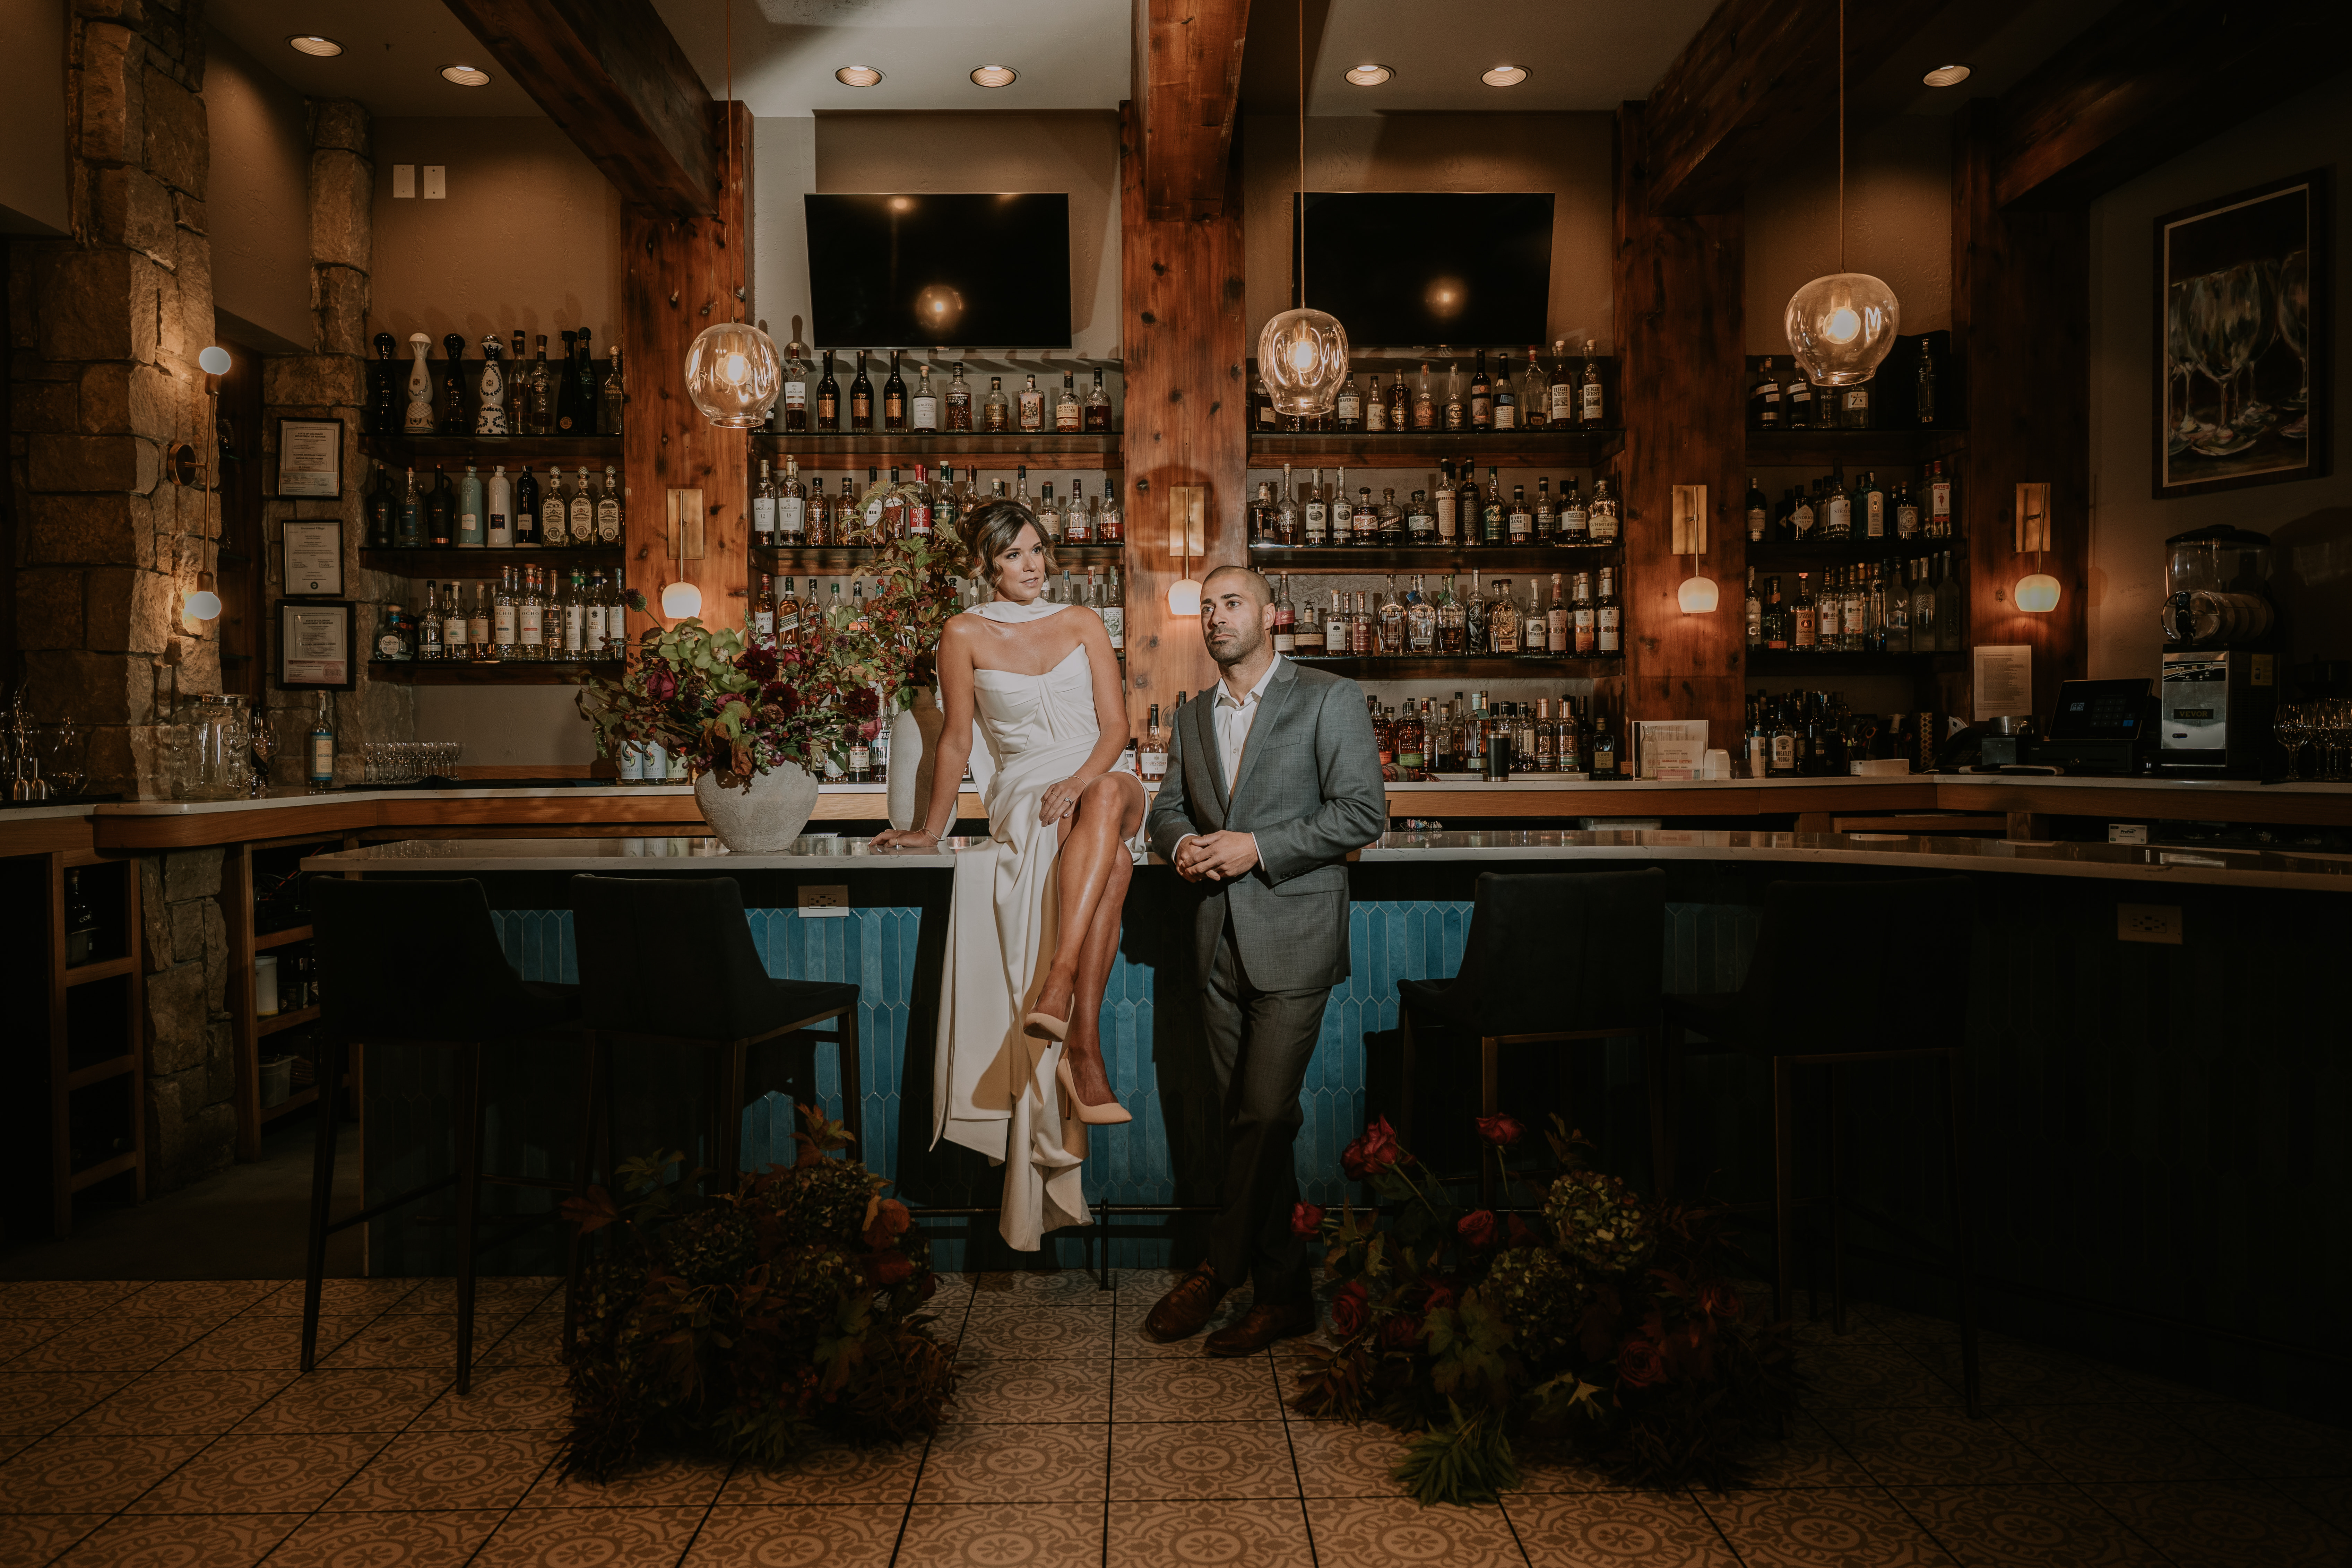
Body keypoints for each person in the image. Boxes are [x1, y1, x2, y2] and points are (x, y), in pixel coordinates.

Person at [873, 501, 1145, 1251]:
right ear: (984, 567)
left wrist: (1084, 776)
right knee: (1111, 854)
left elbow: (1116, 726)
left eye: (1036, 551)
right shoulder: (961, 635)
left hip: (1098, 771)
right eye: (1013, 556)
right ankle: (1080, 1046)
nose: (1032, 566)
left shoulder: (1085, 623)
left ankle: (1056, 984)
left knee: (1109, 798)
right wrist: (931, 830)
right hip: (1024, 788)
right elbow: (958, 740)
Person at [1141, 564, 1386, 1355]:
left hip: (1294, 936)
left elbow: (1361, 812)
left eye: (1231, 603)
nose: (1215, 618)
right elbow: (1167, 804)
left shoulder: (1327, 697)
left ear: (1270, 615)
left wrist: (1258, 848)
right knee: (1247, 1125)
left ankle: (1216, 1271)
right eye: (1206, 608)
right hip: (1213, 939)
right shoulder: (1191, 715)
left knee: (1266, 1113)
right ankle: (1283, 1297)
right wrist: (1178, 844)